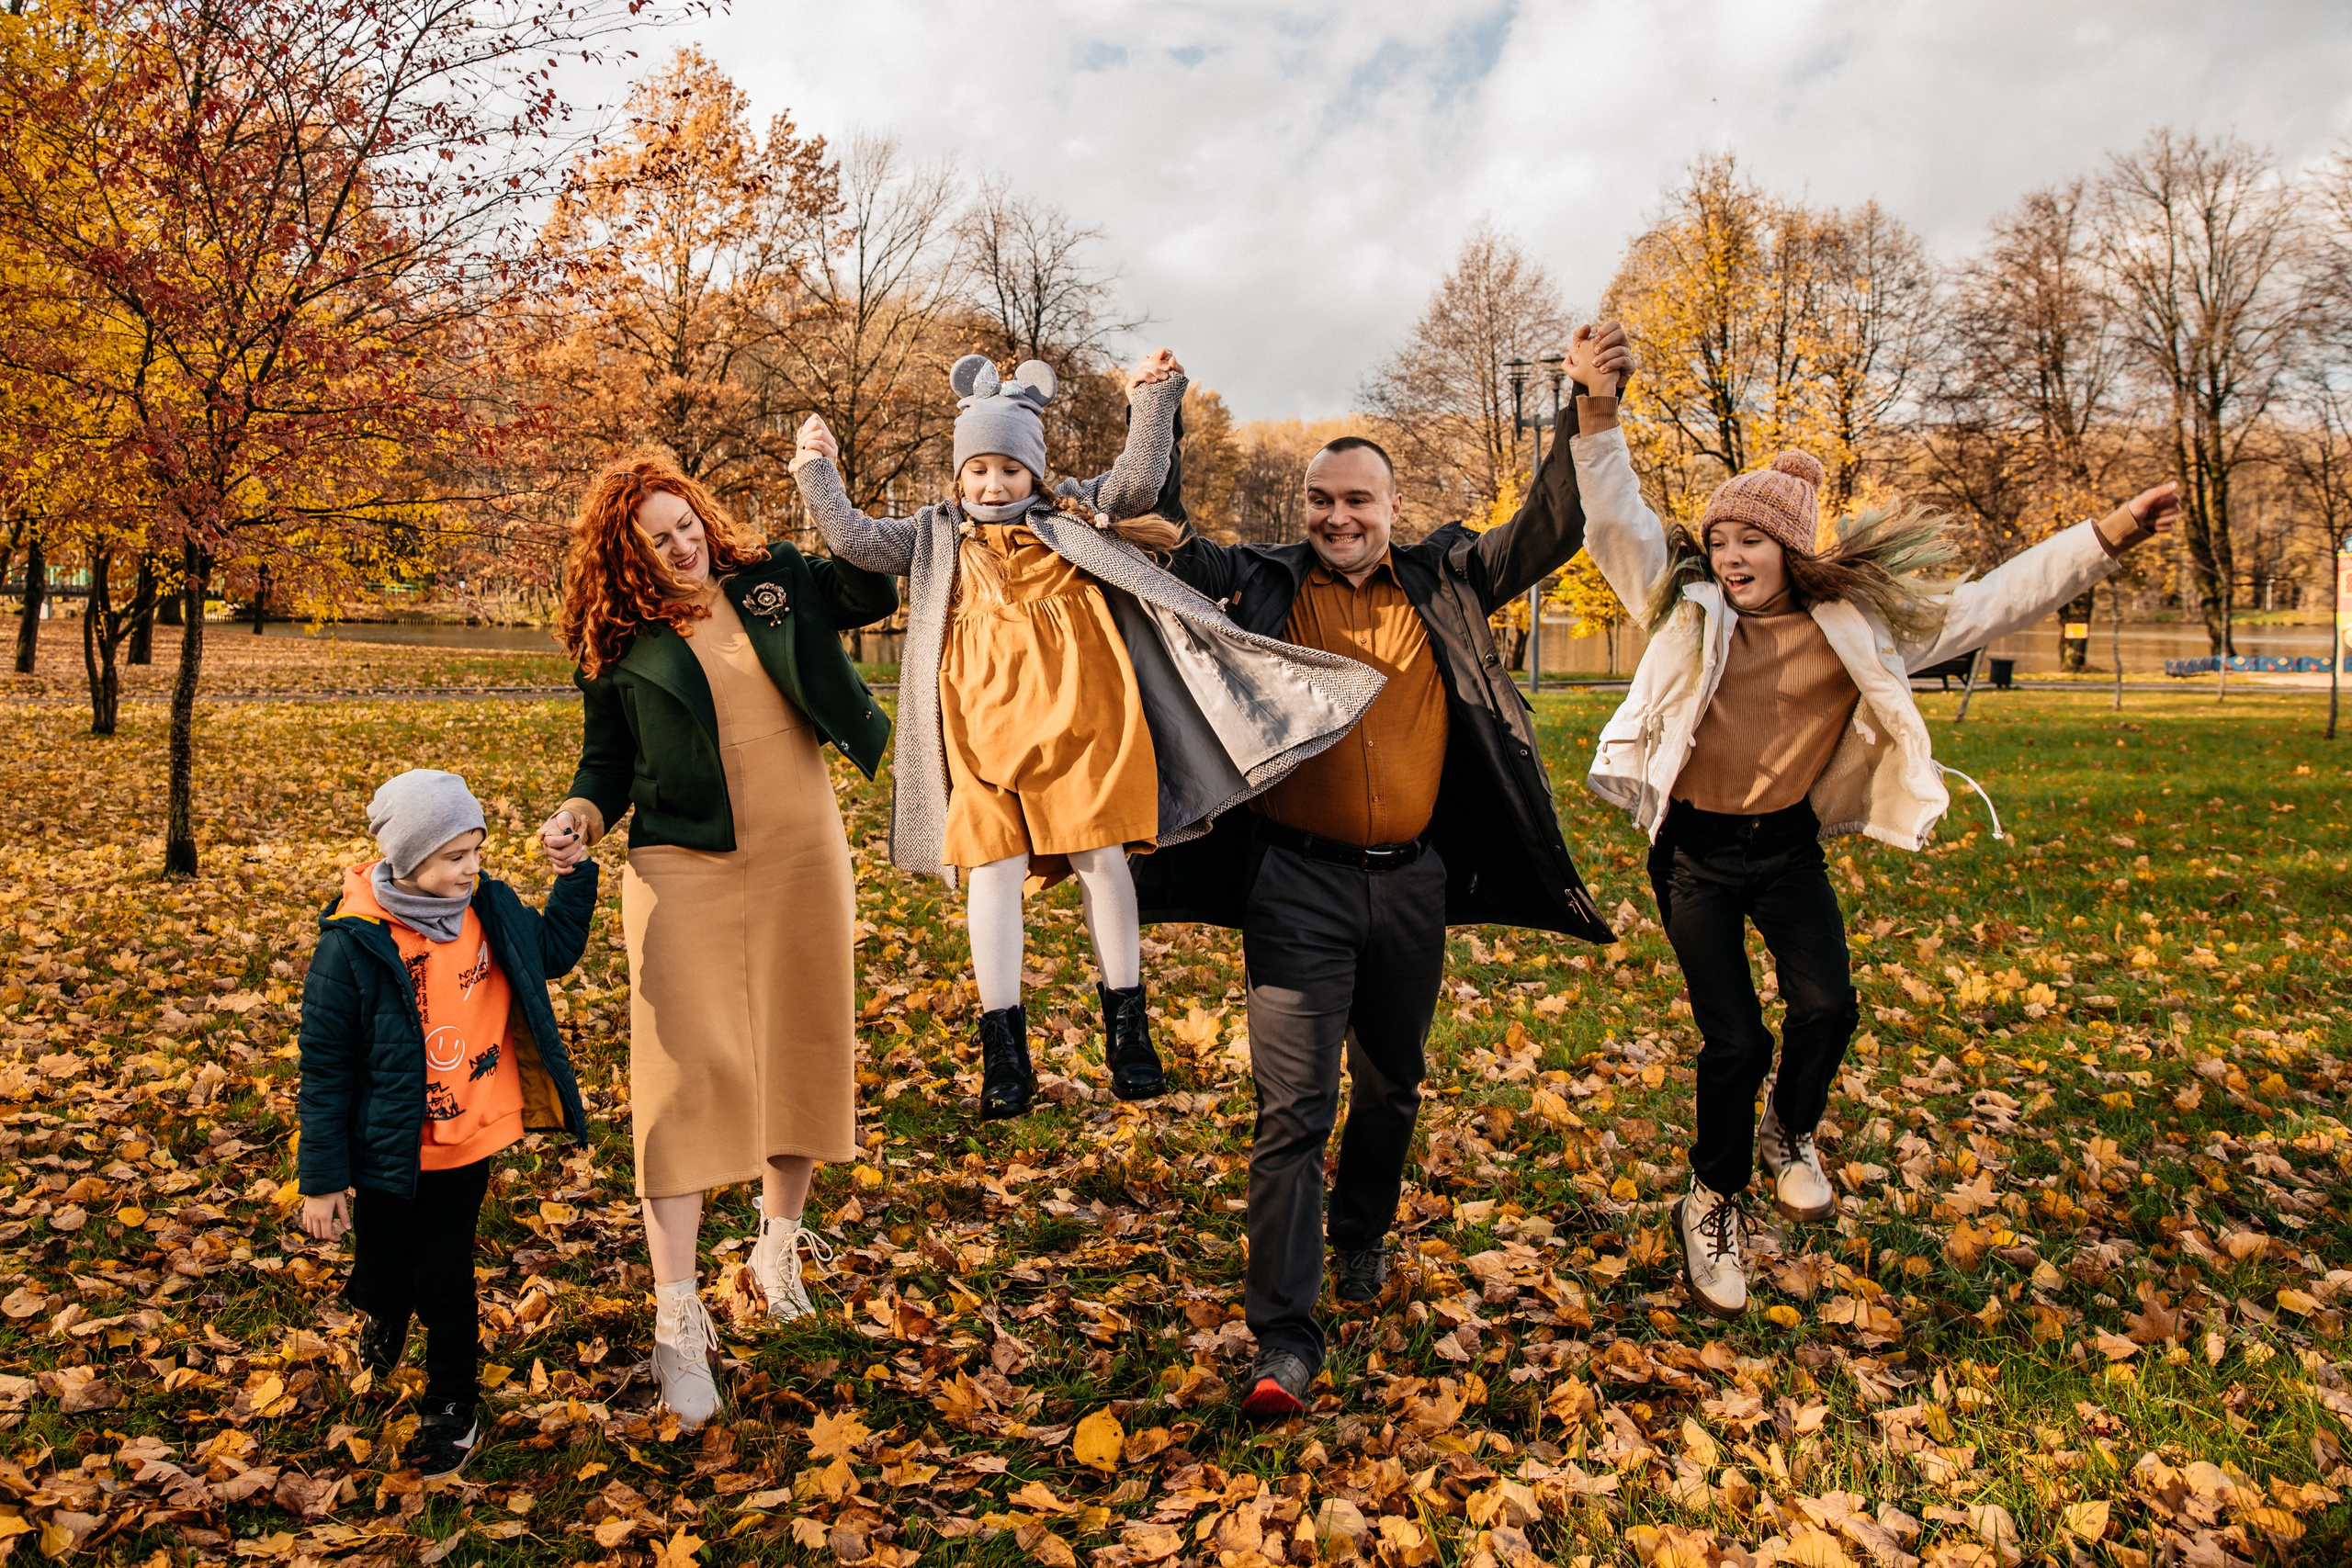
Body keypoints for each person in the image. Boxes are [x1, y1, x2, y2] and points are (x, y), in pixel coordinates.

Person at [1571, 379, 2179, 1318]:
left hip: (1784, 848)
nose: (1731, 556)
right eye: (1721, 540)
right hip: (1691, 853)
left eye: (1752, 541)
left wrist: (2109, 533)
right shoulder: (1687, 610)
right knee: (1734, 1037)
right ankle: (1713, 1199)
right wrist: (1597, 414)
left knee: (1829, 1006)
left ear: (1791, 552)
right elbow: (1614, 521)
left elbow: (1991, 602)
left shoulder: (1855, 625)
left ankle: (1790, 1131)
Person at [1133, 325, 1634, 1420]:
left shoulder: (1447, 581)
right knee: (1291, 1109)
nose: (1338, 517)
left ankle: (1359, 1232)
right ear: (1303, 507)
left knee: (1393, 1085)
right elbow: (1164, 538)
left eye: (1358, 500)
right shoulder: (1262, 584)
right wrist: (1156, 412)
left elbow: (1550, 526)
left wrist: (1589, 408)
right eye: (1322, 500)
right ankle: (1282, 1338)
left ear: (1391, 509)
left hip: (1411, 885)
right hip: (1293, 886)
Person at [789, 352, 1383, 1120]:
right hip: (983, 743)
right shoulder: (937, 536)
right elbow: (856, 541)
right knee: (992, 872)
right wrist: (817, 469)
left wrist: (1153, 397)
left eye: (1008, 469)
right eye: (978, 471)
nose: (992, 485)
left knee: (1103, 859)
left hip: (1088, 728)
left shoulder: (1070, 517)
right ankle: (1004, 1050)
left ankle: (1128, 1028)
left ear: (1034, 473)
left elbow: (1137, 482)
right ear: (959, 478)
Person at [535, 451, 897, 1429]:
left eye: (688, 524)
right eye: (660, 540)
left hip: (800, 852)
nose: (685, 546)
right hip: (681, 865)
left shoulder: (773, 578)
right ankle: (677, 1319)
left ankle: (777, 1253)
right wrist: (579, 816)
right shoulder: (615, 644)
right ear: (624, 556)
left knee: (802, 1046)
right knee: (681, 1079)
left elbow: (867, 581)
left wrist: (825, 483)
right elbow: (605, 763)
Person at [298, 769, 597, 1479]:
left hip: (470, 1137)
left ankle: (451, 1404)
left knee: (445, 1274)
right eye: (454, 857)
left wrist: (575, 873)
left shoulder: (488, 909)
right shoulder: (355, 942)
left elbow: (554, 949)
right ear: (406, 859)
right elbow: (326, 1069)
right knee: (382, 1266)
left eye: (476, 851)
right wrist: (324, 1180)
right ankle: (383, 1310)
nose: (472, 869)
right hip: (388, 1145)